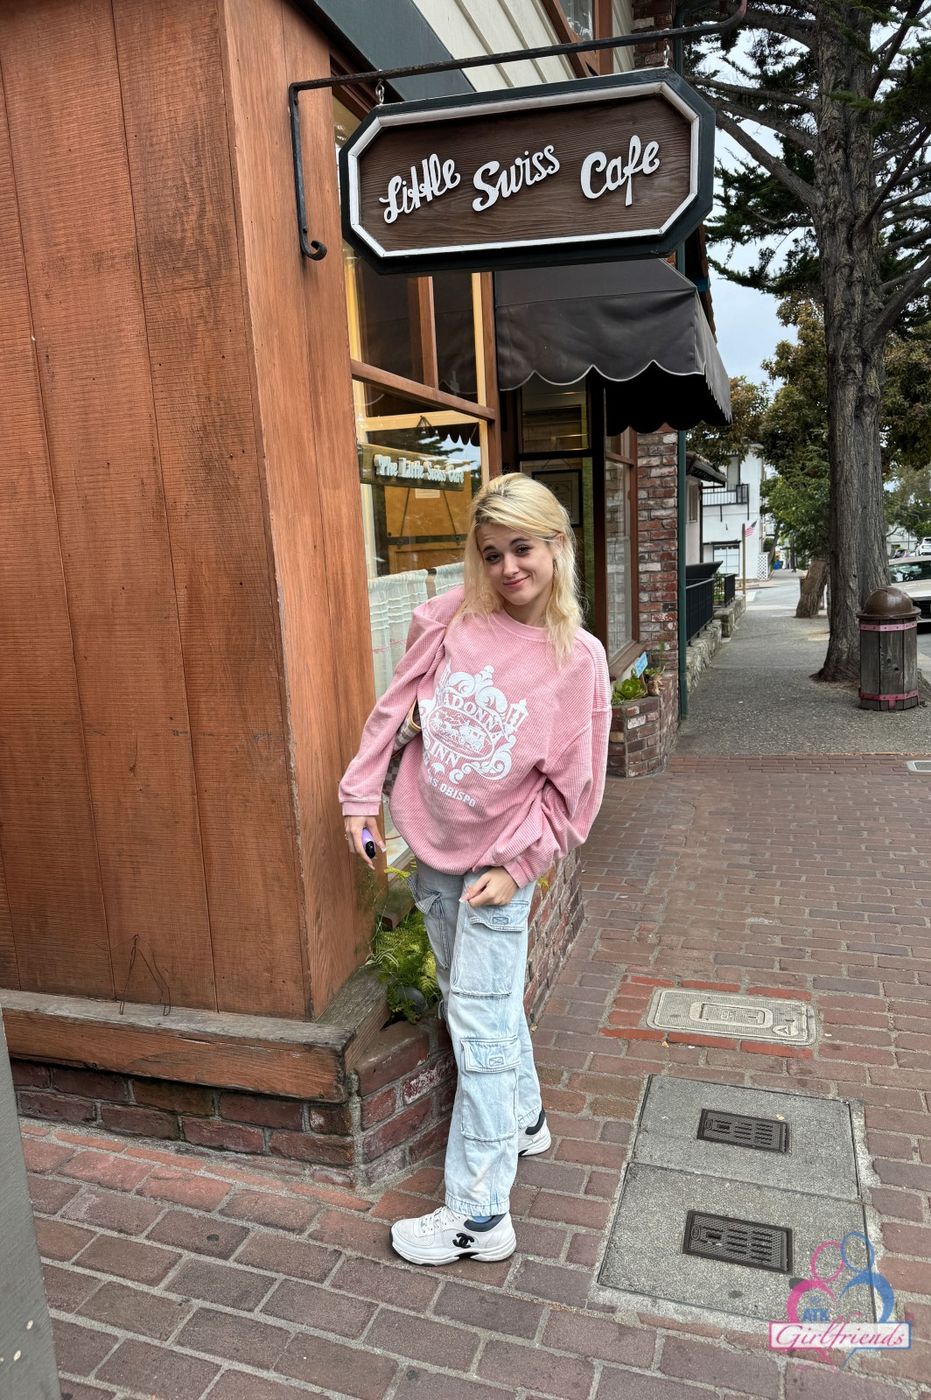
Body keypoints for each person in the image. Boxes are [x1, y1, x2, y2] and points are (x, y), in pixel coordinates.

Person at [339, 472, 611, 1267]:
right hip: (431, 848)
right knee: (478, 1005)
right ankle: (523, 1119)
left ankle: (479, 1215)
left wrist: (522, 866)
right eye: (491, 554)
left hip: (495, 870)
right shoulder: (448, 619)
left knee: (479, 1027)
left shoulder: (578, 660)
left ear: (556, 545)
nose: (507, 568)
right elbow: (392, 712)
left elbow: (576, 792)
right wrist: (360, 798)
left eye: (522, 548)